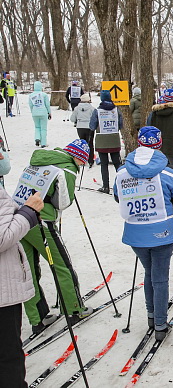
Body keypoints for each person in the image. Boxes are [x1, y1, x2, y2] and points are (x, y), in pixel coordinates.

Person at [114, 126, 173, 340]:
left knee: (149, 273)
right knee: (160, 277)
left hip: (136, 232)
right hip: (162, 230)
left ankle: (152, 316)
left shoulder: (121, 172)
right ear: (159, 144)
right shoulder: (167, 172)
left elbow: (118, 197)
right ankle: (161, 325)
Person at [15, 139, 92, 333]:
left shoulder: (40, 159)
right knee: (62, 266)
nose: (82, 165)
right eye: (83, 161)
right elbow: (63, 202)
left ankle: (37, 317)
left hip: (19, 218)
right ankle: (75, 309)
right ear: (78, 157)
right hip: (42, 222)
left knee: (29, 269)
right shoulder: (67, 170)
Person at [0, 185, 43, 387]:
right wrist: (29, 212)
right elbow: (1, 238)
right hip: (3, 290)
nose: (2, 156)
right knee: (8, 355)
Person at [89, 90, 123, 193]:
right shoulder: (117, 110)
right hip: (114, 139)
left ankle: (106, 186)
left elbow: (92, 126)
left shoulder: (97, 111)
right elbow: (120, 125)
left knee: (104, 164)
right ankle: (121, 184)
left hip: (102, 140)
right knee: (117, 164)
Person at [70, 92, 95, 167]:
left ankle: (82, 160)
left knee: (82, 143)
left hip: (80, 127)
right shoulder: (92, 108)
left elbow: (72, 119)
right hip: (89, 127)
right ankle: (90, 160)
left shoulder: (77, 108)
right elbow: (94, 119)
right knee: (90, 143)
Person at [28, 81, 51, 147]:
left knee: (37, 127)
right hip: (43, 112)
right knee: (43, 128)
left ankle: (37, 138)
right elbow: (47, 105)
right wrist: (49, 112)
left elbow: (30, 105)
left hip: (35, 112)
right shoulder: (44, 95)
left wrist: (32, 111)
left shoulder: (31, 95)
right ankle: (43, 143)